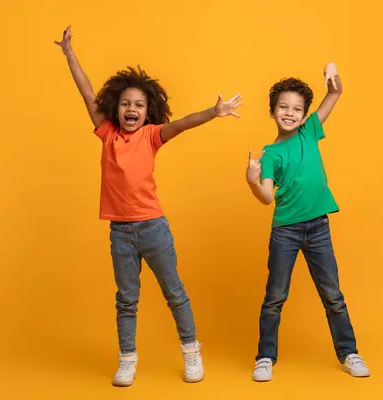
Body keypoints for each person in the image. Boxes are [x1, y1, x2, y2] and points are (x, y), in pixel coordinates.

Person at [54, 25, 242, 386]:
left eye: (139, 105)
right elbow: (86, 93)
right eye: (125, 103)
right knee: (126, 300)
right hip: (120, 233)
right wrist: (69, 54)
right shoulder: (107, 132)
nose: (131, 109)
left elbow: (184, 124)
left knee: (174, 292)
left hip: (153, 228)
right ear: (115, 108)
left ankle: (191, 352)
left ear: (148, 111)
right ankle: (127, 360)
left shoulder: (152, 135)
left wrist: (213, 111)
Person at [245, 63, 370, 381]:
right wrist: (252, 179)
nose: (290, 113)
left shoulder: (310, 130)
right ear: (272, 111)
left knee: (332, 294)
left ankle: (349, 353)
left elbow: (336, 92)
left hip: (318, 227)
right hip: (285, 231)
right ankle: (265, 357)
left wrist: (333, 72)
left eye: (297, 108)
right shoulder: (270, 154)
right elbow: (267, 197)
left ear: (304, 114)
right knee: (275, 296)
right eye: (283, 107)